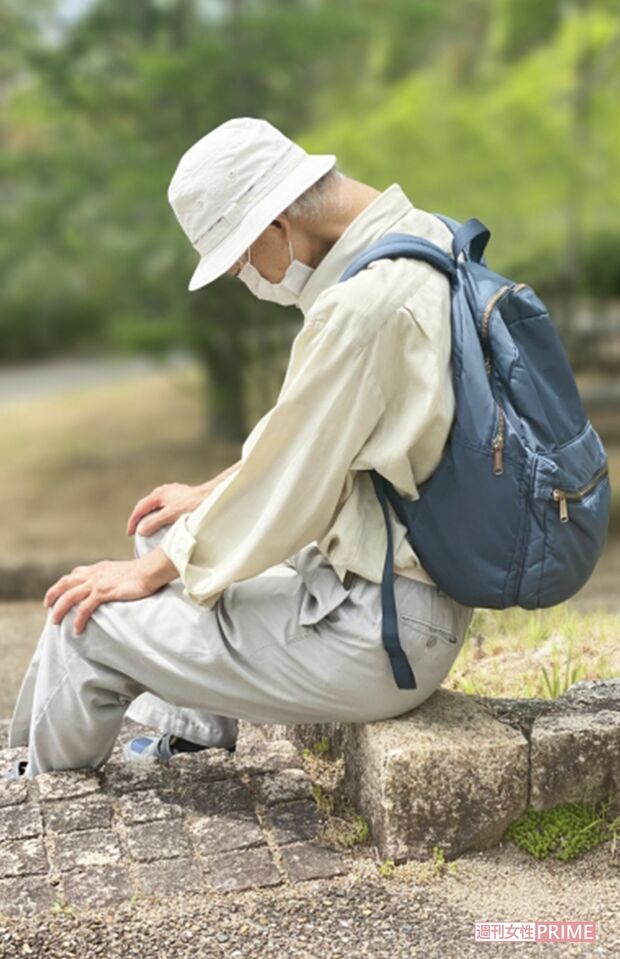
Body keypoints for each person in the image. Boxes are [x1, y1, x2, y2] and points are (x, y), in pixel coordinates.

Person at [5, 116, 475, 779]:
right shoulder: (423, 236)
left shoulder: (359, 310)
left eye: (241, 261)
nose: (246, 278)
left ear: (278, 225)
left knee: (84, 623)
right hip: (402, 589)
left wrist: (150, 572)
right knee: (168, 529)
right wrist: (195, 505)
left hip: (381, 633)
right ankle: (192, 736)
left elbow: (285, 492)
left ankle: (41, 792)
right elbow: (311, 432)